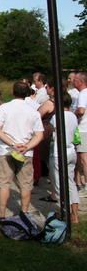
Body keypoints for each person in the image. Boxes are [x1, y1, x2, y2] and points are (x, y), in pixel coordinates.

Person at [0, 81, 44, 222]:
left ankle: (1, 214)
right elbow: (39, 135)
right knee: (25, 185)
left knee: (4, 184)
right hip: (26, 152)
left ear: (13, 92)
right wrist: (27, 146)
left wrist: (12, 143)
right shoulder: (33, 111)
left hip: (6, 150)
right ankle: (24, 213)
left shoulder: (5, 108)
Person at [48, 92, 80, 223]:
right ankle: (75, 214)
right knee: (70, 183)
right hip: (71, 151)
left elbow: (51, 131)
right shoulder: (73, 116)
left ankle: (64, 212)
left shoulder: (56, 117)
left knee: (59, 184)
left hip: (59, 152)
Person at [73, 72, 87, 197]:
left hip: (83, 128)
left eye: (75, 80)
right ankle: (78, 182)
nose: (72, 82)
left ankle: (85, 185)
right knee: (80, 158)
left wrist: (74, 113)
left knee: (83, 159)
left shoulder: (82, 94)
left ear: (80, 82)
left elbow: (81, 110)